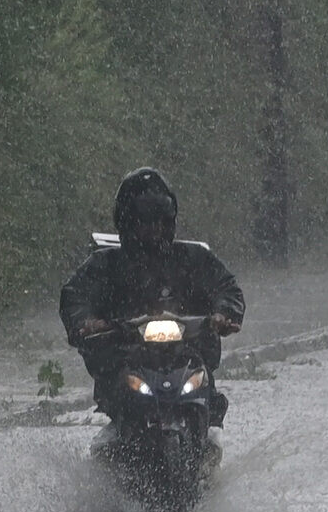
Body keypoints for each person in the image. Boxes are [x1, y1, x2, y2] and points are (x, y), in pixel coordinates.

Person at [59, 167, 245, 428]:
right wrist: (86, 321)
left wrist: (223, 313)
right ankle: (123, 433)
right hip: (126, 358)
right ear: (127, 222)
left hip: (185, 356)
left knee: (206, 392)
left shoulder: (193, 260)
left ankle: (203, 427)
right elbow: (75, 295)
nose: (155, 229)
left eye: (161, 220)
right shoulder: (106, 266)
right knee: (117, 388)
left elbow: (225, 287)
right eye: (145, 221)